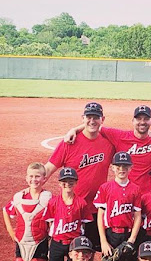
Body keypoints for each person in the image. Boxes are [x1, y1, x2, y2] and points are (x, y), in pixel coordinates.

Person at [44, 102, 115, 249]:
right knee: (64, 249)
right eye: (89, 117)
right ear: (83, 118)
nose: (92, 121)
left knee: (88, 249)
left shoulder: (109, 143)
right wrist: (33, 187)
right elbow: (49, 168)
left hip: (96, 207)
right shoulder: (69, 142)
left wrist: (76, 128)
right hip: (71, 207)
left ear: (102, 119)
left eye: (96, 117)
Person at [64, 104, 151, 195]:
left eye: (146, 119)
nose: (142, 122)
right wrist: (74, 129)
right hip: (126, 194)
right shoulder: (120, 136)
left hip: (149, 195)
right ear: (133, 121)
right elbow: (95, 125)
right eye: (139, 119)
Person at [2, 162, 52, 261]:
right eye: (31, 176)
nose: (34, 179)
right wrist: (11, 231)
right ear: (26, 178)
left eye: (37, 176)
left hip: (40, 240)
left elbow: (54, 218)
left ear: (44, 179)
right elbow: (6, 210)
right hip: (22, 240)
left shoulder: (48, 198)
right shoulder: (19, 197)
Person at [94, 151, 143, 261]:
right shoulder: (105, 187)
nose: (122, 169)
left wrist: (132, 240)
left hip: (127, 234)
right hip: (111, 234)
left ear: (131, 168)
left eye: (125, 166)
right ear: (113, 168)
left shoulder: (135, 189)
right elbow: (101, 215)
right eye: (118, 166)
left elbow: (137, 215)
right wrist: (103, 241)